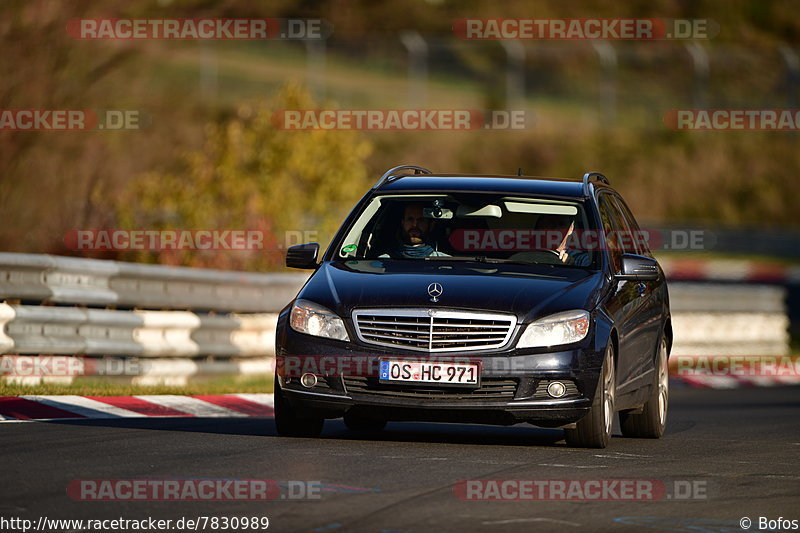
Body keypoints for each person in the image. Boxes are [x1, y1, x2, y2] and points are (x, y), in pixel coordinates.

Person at [384, 203, 449, 259]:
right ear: (403, 223)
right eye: (410, 219)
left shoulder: (445, 262)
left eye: (421, 220)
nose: (415, 225)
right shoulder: (384, 261)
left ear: (431, 225)